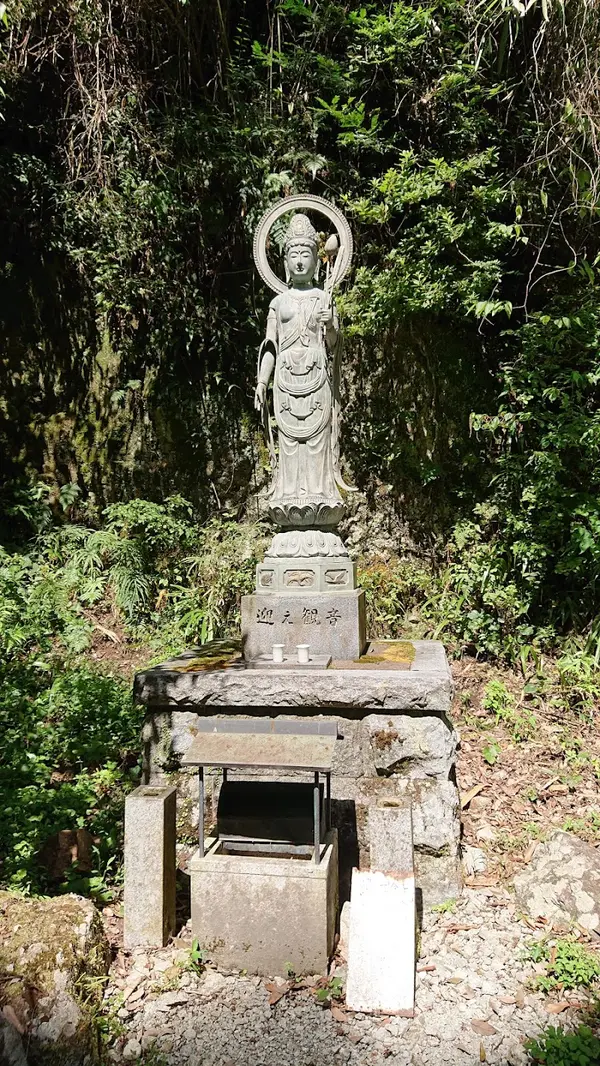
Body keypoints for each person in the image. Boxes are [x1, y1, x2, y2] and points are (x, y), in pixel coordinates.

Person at [254, 212, 345, 530]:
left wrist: (330, 323)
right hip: (285, 384)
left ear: (318, 263)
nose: (300, 261)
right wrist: (262, 382)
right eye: (294, 255)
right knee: (290, 445)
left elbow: (333, 345)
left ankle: (319, 496)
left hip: (318, 381)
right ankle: (289, 496)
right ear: (284, 263)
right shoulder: (278, 304)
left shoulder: (324, 299)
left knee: (318, 443)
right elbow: (270, 346)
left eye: (306, 254)